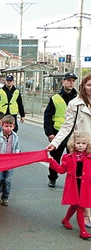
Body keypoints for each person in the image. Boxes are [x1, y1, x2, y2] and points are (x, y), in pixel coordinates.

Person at [47, 73, 91, 230]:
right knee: (85, 183)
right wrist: (56, 142)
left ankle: (84, 213)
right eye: (88, 85)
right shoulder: (75, 104)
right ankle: (86, 214)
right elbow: (66, 126)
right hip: (82, 146)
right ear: (83, 87)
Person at [49, 131, 91, 239]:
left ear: (87, 144)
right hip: (74, 185)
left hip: (85, 186)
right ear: (73, 143)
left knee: (76, 206)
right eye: (78, 143)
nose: (80, 145)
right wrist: (51, 161)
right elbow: (61, 170)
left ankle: (65, 220)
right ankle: (83, 231)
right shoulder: (68, 157)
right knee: (80, 207)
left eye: (83, 143)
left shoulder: (89, 157)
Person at [44, 72, 78, 188]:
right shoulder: (55, 98)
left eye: (73, 80)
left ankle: (72, 180)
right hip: (58, 132)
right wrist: (50, 133)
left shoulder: (78, 98)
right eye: (68, 80)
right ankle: (52, 178)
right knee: (55, 158)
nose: (71, 82)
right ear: (63, 82)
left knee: (73, 159)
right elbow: (47, 116)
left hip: (73, 134)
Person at [0, 115, 20, 206]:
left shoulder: (15, 137)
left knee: (7, 180)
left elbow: (17, 148)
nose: (8, 128)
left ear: (14, 127)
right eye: (6, 126)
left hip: (10, 163)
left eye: (10, 126)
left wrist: (16, 156)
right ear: (2, 126)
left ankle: (5, 197)